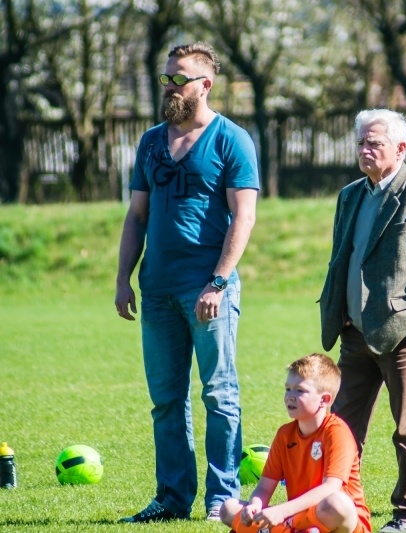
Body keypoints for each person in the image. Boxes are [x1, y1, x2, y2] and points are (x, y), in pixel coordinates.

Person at [114, 42, 259, 522]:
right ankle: (171, 499)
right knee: (165, 401)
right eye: (167, 78)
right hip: (156, 290)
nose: (171, 87)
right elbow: (136, 217)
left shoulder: (231, 140)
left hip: (208, 289)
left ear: (205, 85)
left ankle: (222, 498)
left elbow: (244, 217)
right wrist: (124, 279)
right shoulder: (151, 141)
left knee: (219, 393)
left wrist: (217, 282)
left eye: (181, 79)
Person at [319, 109, 406, 533]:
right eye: (361, 141)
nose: (364, 149)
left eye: (374, 143)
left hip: (403, 336)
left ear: (400, 148)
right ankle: (341, 506)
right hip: (354, 334)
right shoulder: (350, 195)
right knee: (341, 428)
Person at [220, 353, 372, 533]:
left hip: (335, 518)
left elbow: (331, 488)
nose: (290, 396)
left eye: (300, 390)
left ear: (325, 400)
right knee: (229, 507)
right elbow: (264, 486)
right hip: (299, 517)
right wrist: (254, 505)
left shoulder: (337, 432)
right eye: (287, 389)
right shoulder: (285, 434)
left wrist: (282, 511)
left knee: (336, 504)